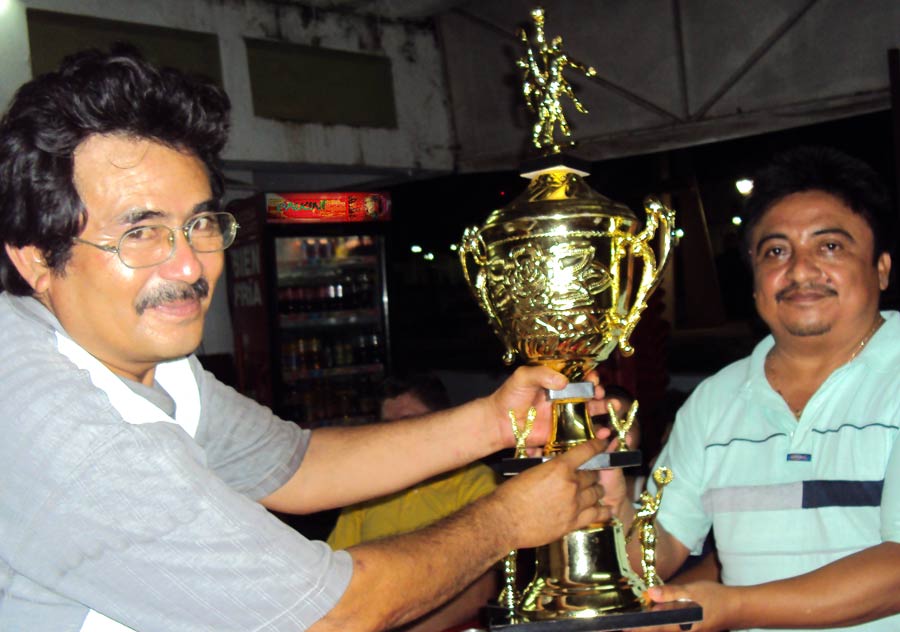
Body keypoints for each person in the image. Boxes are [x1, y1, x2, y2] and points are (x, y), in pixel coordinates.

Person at [0, 46, 619, 632]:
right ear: (36, 259)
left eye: (200, 223)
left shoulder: (142, 361)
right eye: (140, 233)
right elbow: (330, 616)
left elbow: (294, 465)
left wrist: (496, 422)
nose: (189, 265)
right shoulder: (63, 428)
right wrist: (508, 521)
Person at [611, 146, 900, 631]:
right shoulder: (715, 401)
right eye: (776, 251)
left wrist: (733, 606)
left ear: (882, 268)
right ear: (753, 278)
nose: (800, 270)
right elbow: (655, 550)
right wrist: (607, 498)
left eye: (830, 247)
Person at [328, 373, 499, 631]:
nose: (398, 436)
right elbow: (334, 576)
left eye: (409, 423)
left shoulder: (475, 483)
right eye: (388, 426)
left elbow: (480, 592)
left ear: (442, 421)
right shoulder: (369, 487)